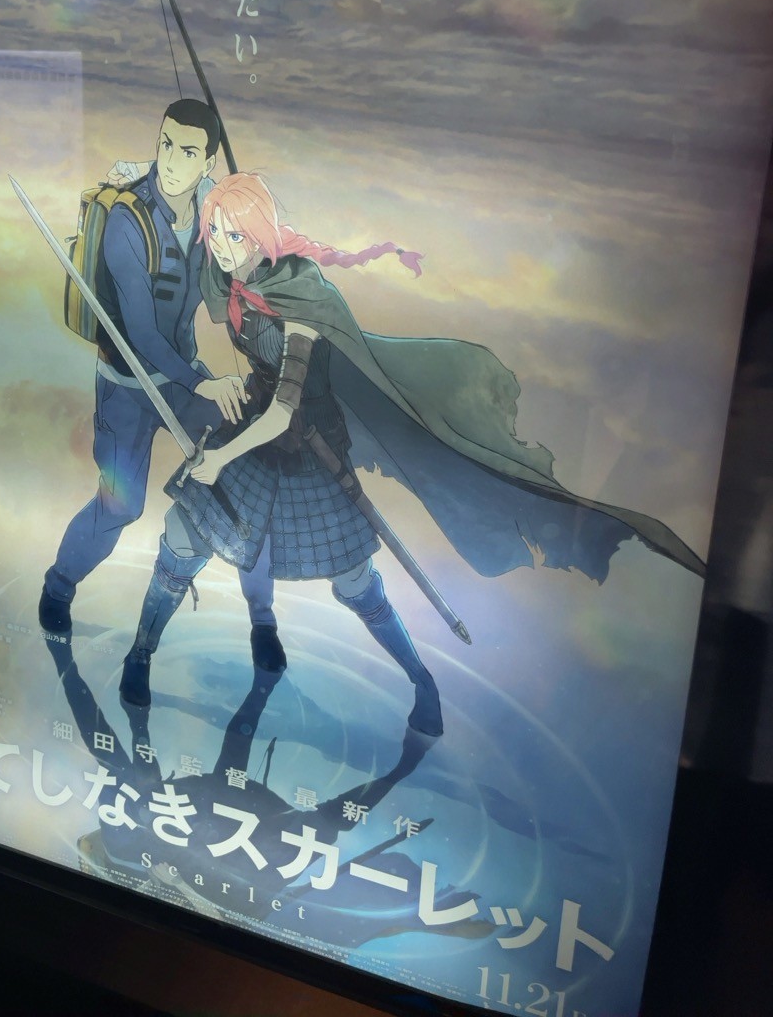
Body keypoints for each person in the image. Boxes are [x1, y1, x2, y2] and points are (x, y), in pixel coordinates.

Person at [118, 172, 707, 736]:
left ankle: (422, 681)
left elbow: (285, 410)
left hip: (309, 447)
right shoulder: (228, 281)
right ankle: (140, 653)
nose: (222, 246)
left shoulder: (301, 298)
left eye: (235, 233)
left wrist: (220, 458)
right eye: (216, 232)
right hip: (255, 438)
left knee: (356, 582)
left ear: (259, 233)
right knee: (183, 536)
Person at [38, 100, 252, 635]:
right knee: (121, 506)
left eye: (189, 152)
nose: (173, 162)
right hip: (127, 387)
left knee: (239, 447)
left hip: (181, 375)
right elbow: (141, 333)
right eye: (165, 145)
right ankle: (59, 584)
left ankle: (180, 560)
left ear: (207, 162)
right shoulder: (127, 223)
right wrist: (203, 382)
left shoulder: (213, 205)